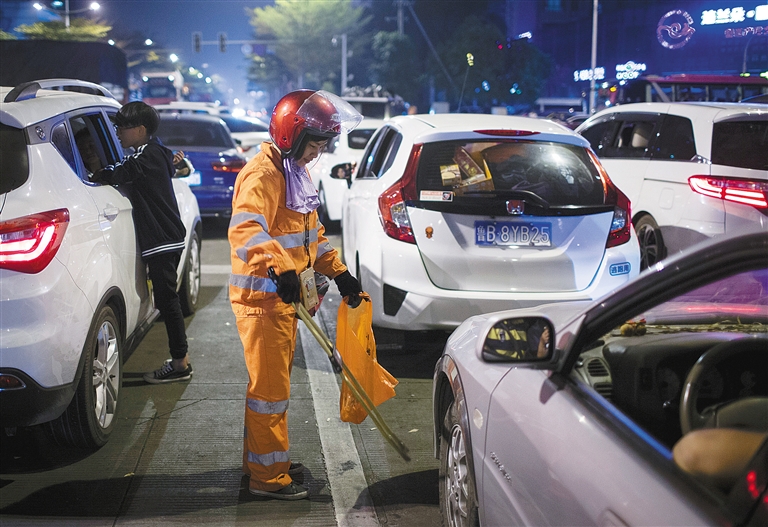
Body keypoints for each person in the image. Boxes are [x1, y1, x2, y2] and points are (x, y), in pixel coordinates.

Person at [228, 90, 364, 500]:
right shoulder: (264, 174)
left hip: (281, 302)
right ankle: (267, 479)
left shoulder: (292, 173)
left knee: (271, 390)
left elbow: (311, 238)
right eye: (315, 145)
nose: (317, 154)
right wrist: (282, 267)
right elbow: (246, 230)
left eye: (324, 146)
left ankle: (268, 462)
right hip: (263, 302)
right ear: (291, 134)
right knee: (269, 394)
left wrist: (340, 274)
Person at [91, 101, 192, 384]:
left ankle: (180, 363)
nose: (118, 133)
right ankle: (180, 360)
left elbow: (120, 172)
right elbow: (170, 165)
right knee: (167, 300)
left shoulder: (145, 156)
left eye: (122, 127)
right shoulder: (157, 151)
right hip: (168, 236)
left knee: (167, 302)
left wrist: (94, 176)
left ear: (140, 129)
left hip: (161, 239)